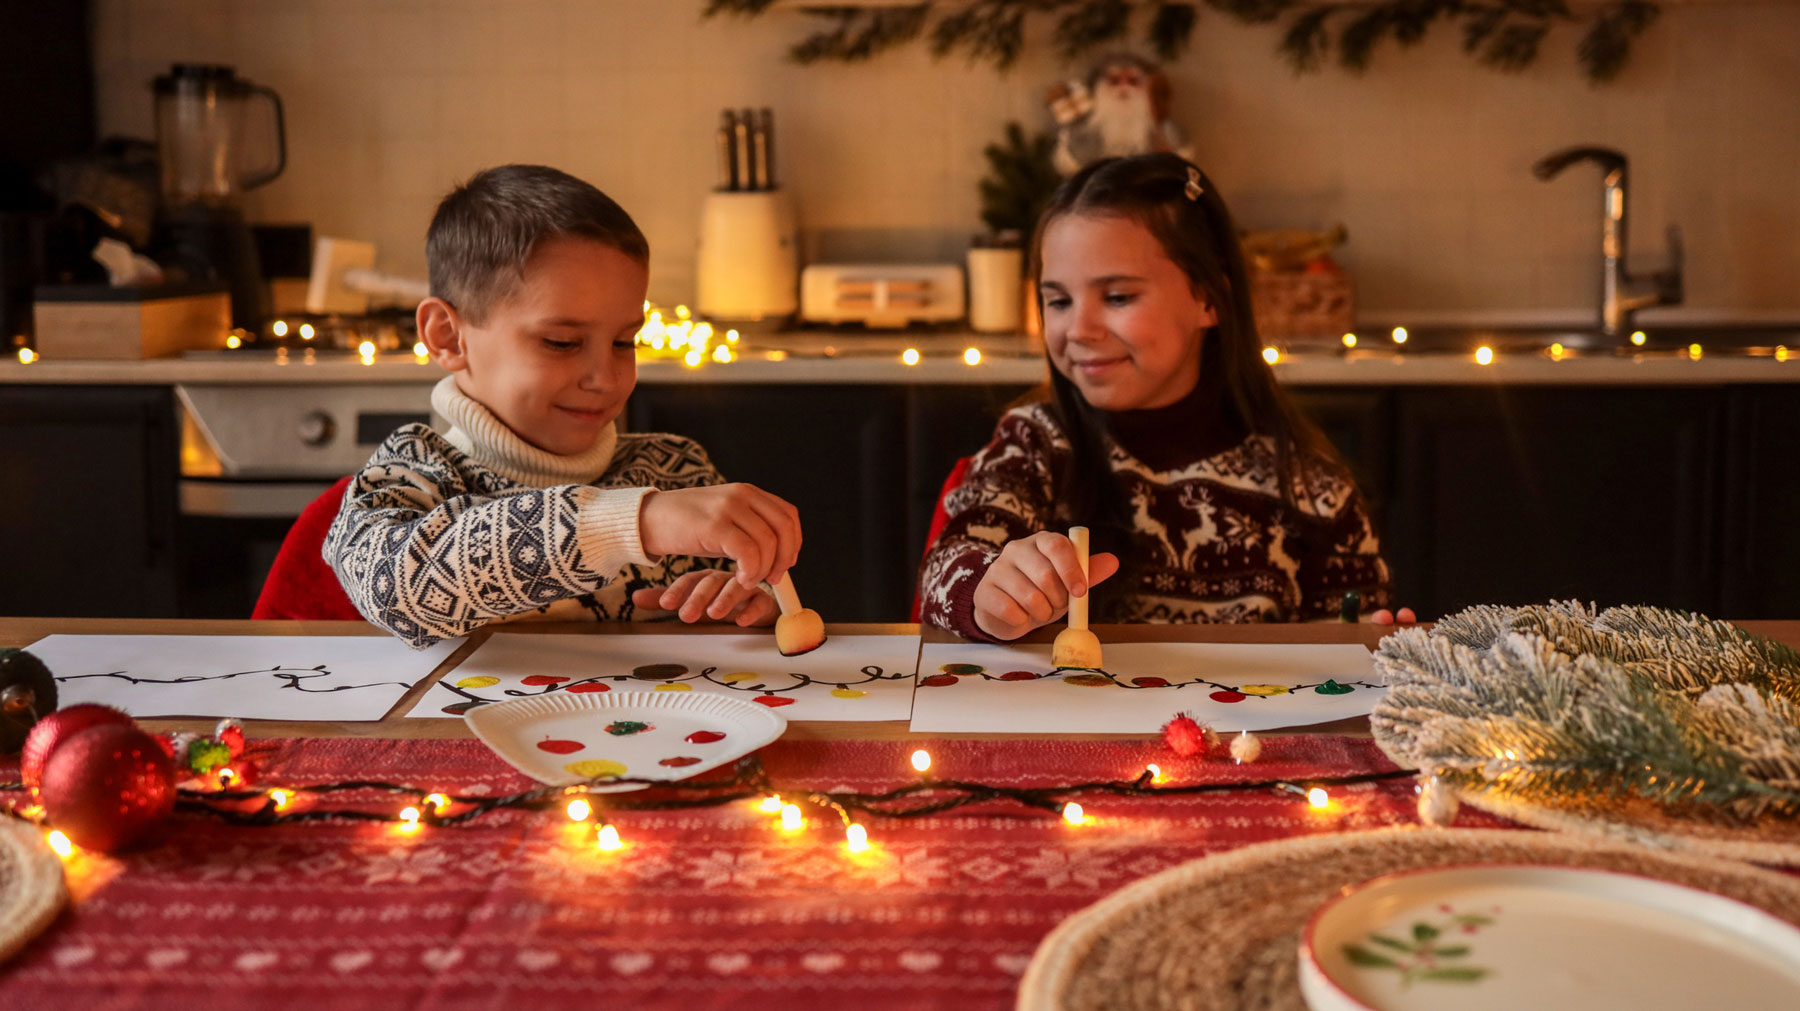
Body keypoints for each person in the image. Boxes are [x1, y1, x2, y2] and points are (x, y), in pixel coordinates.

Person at [918, 153, 1391, 642]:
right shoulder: (1034, 443)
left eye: (1118, 297)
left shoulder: (1309, 481)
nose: (1078, 329)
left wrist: (1366, 640)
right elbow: (945, 571)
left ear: (1208, 299)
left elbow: (1352, 636)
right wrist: (989, 592)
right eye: (1058, 301)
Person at [326, 164, 801, 648]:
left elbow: (730, 624)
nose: (607, 379)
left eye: (624, 341)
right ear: (448, 336)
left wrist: (743, 606)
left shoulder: (672, 470)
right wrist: (633, 522)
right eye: (561, 342)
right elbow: (394, 588)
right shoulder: (411, 472)